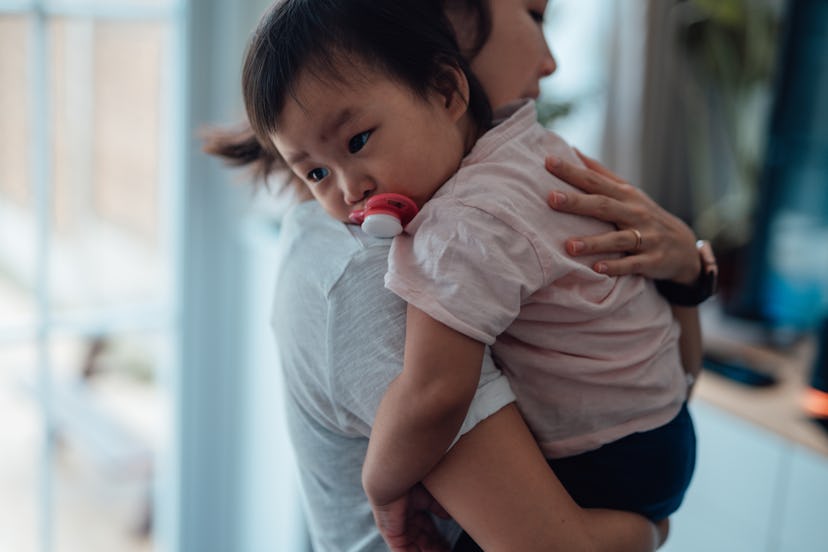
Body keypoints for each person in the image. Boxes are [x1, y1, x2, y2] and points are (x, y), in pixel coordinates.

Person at [205, 1, 716, 549]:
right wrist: (652, 528)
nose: (550, 63)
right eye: (533, 14)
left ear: (447, 92)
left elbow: (438, 395)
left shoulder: (473, 206)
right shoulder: (369, 265)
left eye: (357, 143)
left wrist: (689, 264)